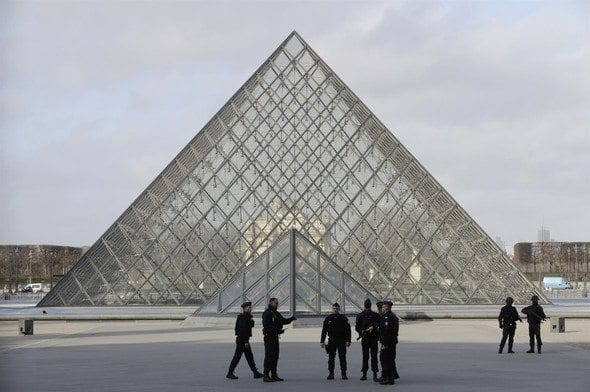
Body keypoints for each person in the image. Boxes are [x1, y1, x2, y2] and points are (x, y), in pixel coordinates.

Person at [226, 302, 264, 380]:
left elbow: (251, 325)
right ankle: (230, 373)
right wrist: (246, 342)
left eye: (250, 307)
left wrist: (251, 318)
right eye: (249, 307)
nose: (250, 309)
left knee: (249, 357)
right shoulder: (243, 317)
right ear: (245, 308)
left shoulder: (247, 316)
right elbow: (243, 330)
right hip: (242, 341)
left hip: (243, 340)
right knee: (237, 357)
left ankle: (255, 373)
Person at [262, 297, 296, 382]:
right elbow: (267, 326)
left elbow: (283, 321)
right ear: (271, 303)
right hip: (269, 337)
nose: (277, 305)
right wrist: (278, 330)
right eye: (276, 303)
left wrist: (291, 319)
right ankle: (266, 375)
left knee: (275, 357)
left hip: (275, 338)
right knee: (269, 356)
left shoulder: (275, 313)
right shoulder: (267, 313)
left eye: (277, 303)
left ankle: (274, 374)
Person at [321, 302, 352, 380]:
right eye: (334, 308)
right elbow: (324, 330)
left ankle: (344, 374)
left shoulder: (343, 318)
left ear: (339, 309)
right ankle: (331, 373)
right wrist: (322, 341)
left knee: (342, 358)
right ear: (332, 309)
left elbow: (348, 330)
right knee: (331, 358)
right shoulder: (328, 318)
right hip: (332, 340)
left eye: (337, 309)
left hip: (342, 340)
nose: (335, 310)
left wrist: (348, 340)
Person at [355, 298, 380, 381]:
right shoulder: (360, 315)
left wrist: (374, 327)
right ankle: (364, 373)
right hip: (365, 338)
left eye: (368, 306)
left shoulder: (375, 315)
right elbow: (357, 327)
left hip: (373, 338)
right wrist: (361, 331)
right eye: (367, 306)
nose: (367, 308)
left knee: (374, 356)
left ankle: (374, 373)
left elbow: (379, 324)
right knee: (365, 356)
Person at [377, 300, 399, 385]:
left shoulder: (388, 317)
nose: (381, 308)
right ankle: (387, 376)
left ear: (386, 308)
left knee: (386, 359)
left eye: (382, 307)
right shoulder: (390, 316)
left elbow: (387, 332)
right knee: (388, 359)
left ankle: (389, 378)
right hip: (390, 342)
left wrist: (385, 344)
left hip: (388, 343)